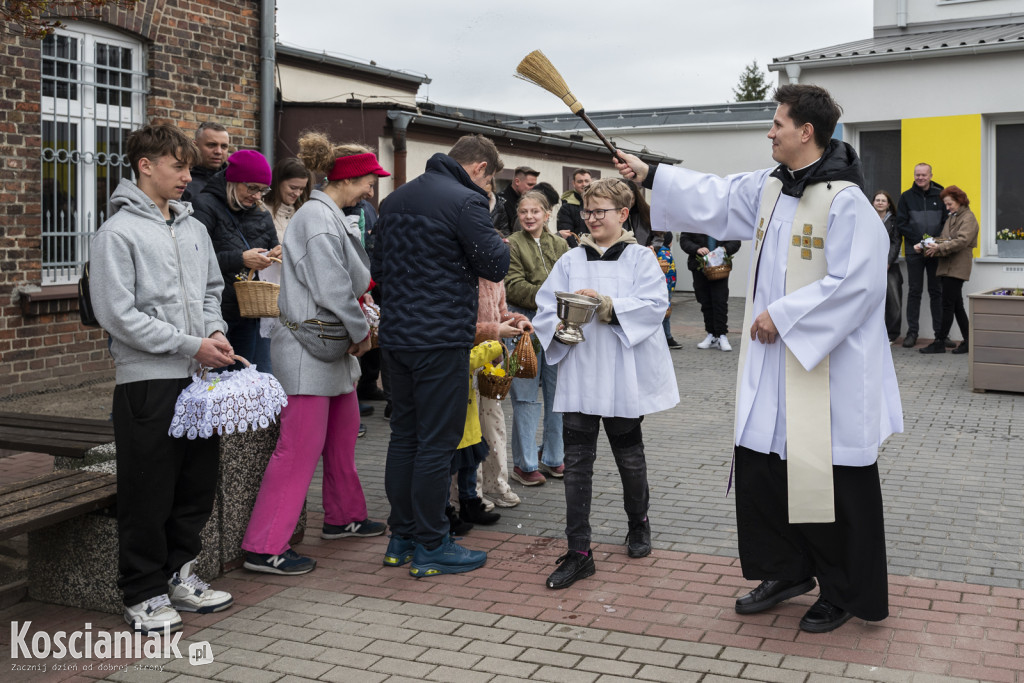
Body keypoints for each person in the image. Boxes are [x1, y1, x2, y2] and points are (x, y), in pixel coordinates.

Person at [615, 84, 903, 633]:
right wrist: (648, 173)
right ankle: (786, 569)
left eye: (777, 123)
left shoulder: (847, 203)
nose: (769, 131)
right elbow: (717, 197)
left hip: (826, 370)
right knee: (767, 468)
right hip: (774, 370)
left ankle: (843, 589)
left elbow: (860, 286)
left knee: (832, 480)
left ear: (806, 132)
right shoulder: (772, 187)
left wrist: (785, 315)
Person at [90, 123, 235, 634]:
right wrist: (189, 343)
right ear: (145, 165)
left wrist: (213, 330)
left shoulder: (194, 228)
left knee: (195, 485)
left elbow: (213, 290)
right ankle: (142, 593)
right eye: (179, 166)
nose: (187, 177)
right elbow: (117, 314)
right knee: (147, 490)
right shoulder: (117, 232)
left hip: (199, 378)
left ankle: (178, 575)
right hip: (147, 381)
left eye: (190, 167)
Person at [241, 133, 389, 575]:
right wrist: (362, 329)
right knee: (298, 449)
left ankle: (343, 517)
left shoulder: (321, 213)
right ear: (350, 178)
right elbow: (334, 288)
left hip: (325, 349)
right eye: (368, 180)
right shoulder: (319, 218)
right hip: (311, 351)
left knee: (342, 437)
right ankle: (264, 546)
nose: (371, 189)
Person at [371, 134, 510, 577]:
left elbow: (376, 271)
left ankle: (402, 537)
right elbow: (495, 266)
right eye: (491, 181)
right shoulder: (467, 202)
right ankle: (433, 544)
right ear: (482, 169)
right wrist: (490, 226)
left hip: (396, 339)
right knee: (436, 445)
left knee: (404, 437)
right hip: (441, 341)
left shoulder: (394, 200)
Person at [532, 177, 680, 589]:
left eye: (600, 211)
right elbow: (546, 308)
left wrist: (608, 306)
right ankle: (579, 551)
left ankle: (639, 523)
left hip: (621, 373)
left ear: (622, 214)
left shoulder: (639, 259)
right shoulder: (569, 259)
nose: (592, 218)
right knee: (577, 464)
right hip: (580, 372)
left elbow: (655, 306)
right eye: (587, 211)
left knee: (628, 457)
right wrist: (561, 325)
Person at [191, 150, 280, 373]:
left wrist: (276, 255)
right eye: (252, 188)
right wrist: (241, 259)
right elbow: (194, 259)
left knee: (248, 377)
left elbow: (273, 246)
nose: (258, 196)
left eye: (263, 190)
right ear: (233, 181)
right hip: (215, 311)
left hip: (250, 311)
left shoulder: (261, 213)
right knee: (217, 381)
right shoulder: (204, 205)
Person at [505, 190, 570, 486]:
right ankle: (525, 462)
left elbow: (573, 280)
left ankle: (554, 457)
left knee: (558, 395)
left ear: (547, 214)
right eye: (523, 212)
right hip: (523, 328)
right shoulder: (511, 244)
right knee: (525, 396)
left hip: (557, 328)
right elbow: (514, 286)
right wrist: (553, 296)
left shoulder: (561, 244)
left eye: (535, 212)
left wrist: (555, 297)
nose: (529, 217)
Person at [475, 276, 533, 508]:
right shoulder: (458, 268)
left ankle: (495, 484)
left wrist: (517, 321)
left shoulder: (493, 276)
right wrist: (493, 330)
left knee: (494, 427)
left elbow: (501, 311)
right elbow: (452, 323)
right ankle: (472, 491)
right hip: (466, 361)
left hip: (491, 365)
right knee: (469, 431)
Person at [916, 185, 978, 355]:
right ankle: (968, 342)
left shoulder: (968, 218)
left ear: (959, 201)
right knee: (956, 306)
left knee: (947, 305)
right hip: (947, 267)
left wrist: (938, 248)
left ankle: (940, 342)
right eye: (946, 204)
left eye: (950, 204)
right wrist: (923, 244)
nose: (947, 207)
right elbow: (943, 238)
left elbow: (961, 241)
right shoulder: (953, 217)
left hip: (957, 268)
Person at [896, 163, 947, 348]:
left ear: (930, 175)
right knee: (914, 292)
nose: (920, 178)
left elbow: (946, 224)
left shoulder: (941, 196)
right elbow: (901, 224)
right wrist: (922, 242)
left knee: (936, 292)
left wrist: (930, 243)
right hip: (914, 251)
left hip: (935, 251)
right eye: (917, 174)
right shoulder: (906, 197)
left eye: (924, 175)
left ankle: (940, 335)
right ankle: (912, 333)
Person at [679, 231, 741, 351]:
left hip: (720, 266)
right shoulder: (693, 219)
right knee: (705, 301)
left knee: (720, 300)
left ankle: (722, 335)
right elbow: (684, 240)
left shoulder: (724, 217)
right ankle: (711, 335)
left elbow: (736, 240)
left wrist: (725, 248)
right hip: (698, 265)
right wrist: (697, 249)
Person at [874, 191, 903, 343]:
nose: (879, 202)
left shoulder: (894, 221)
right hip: (871, 266)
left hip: (890, 267)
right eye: (877, 200)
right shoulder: (867, 219)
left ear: (888, 204)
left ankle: (892, 335)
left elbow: (896, 243)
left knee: (893, 301)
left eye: (883, 200)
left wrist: (888, 262)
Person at [182, 121, 229, 202]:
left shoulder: (234, 182)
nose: (218, 151)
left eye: (224, 146)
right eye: (211, 145)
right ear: (195, 146)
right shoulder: (182, 181)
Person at [269, 156, 312, 242]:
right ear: (278, 182)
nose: (297, 194)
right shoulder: (261, 210)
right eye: (293, 187)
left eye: (301, 189)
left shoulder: (304, 212)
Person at [651, 231, 681, 349]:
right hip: (666, 288)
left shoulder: (660, 252)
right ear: (670, 242)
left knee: (665, 314)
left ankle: (666, 337)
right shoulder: (665, 254)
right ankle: (667, 337)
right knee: (665, 314)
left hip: (666, 288)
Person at [557, 168, 592, 241]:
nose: (584, 184)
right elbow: (567, 234)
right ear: (573, 183)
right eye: (580, 181)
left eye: (586, 181)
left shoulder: (599, 203)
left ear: (591, 182)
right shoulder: (566, 207)